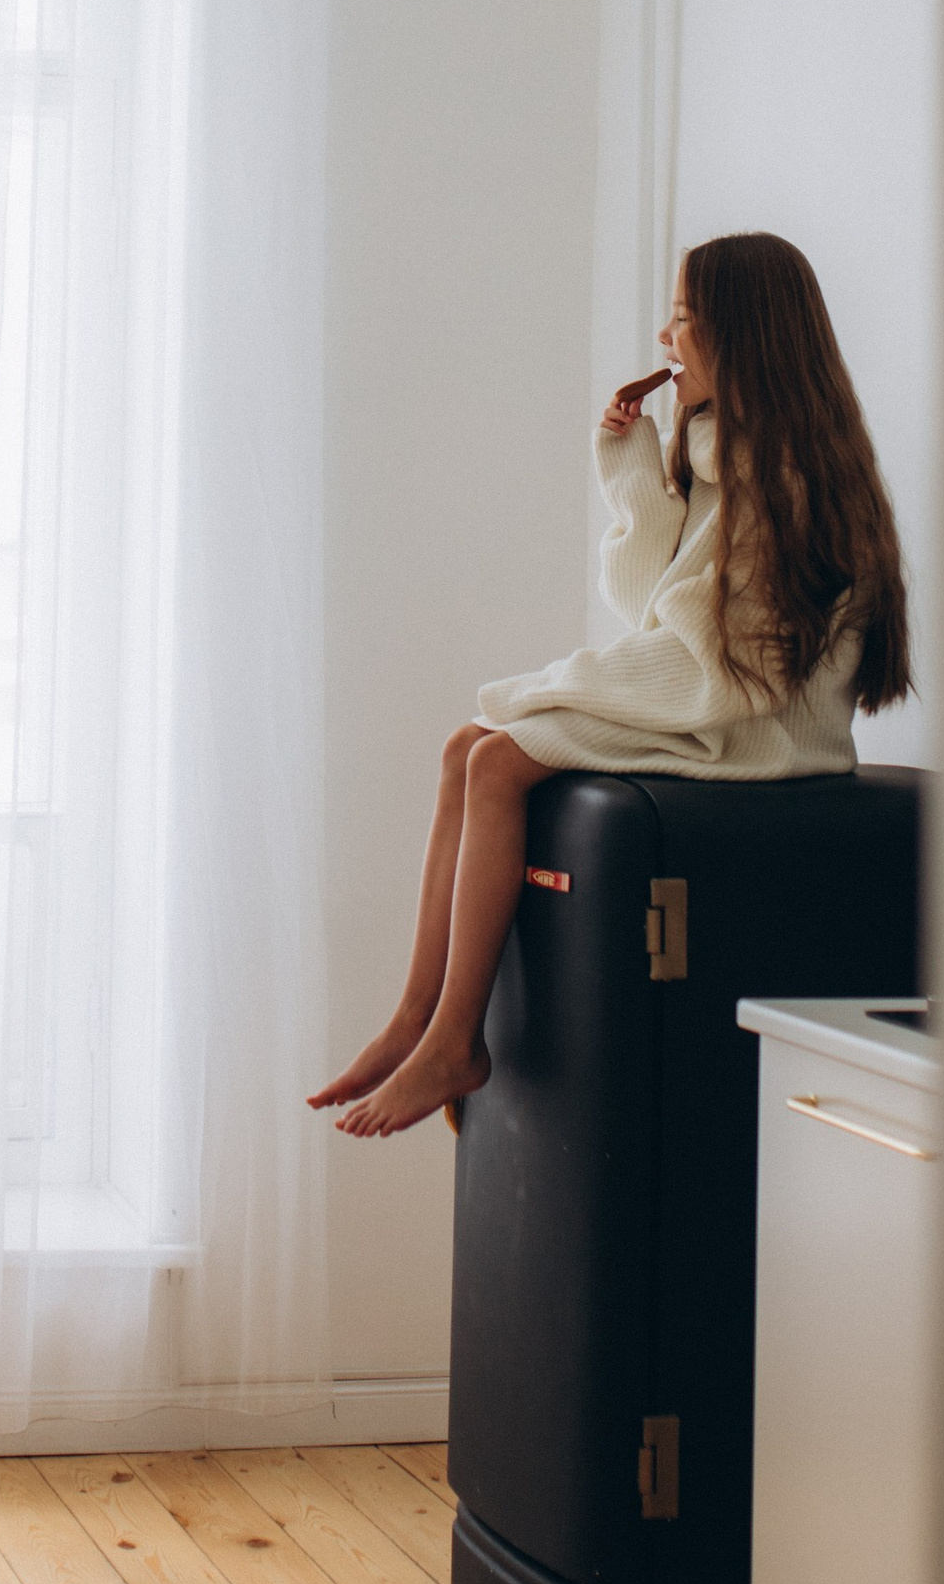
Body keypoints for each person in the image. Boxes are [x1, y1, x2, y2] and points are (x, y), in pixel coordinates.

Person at [312, 231, 912, 1138]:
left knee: (501, 760)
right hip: (727, 700)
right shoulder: (719, 455)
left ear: (739, 336)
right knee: (465, 749)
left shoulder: (786, 483)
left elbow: (727, 666)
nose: (667, 344)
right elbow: (654, 610)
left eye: (683, 322)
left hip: (767, 730)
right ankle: (416, 1020)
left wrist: (548, 691)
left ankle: (453, 1040)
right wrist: (633, 473)